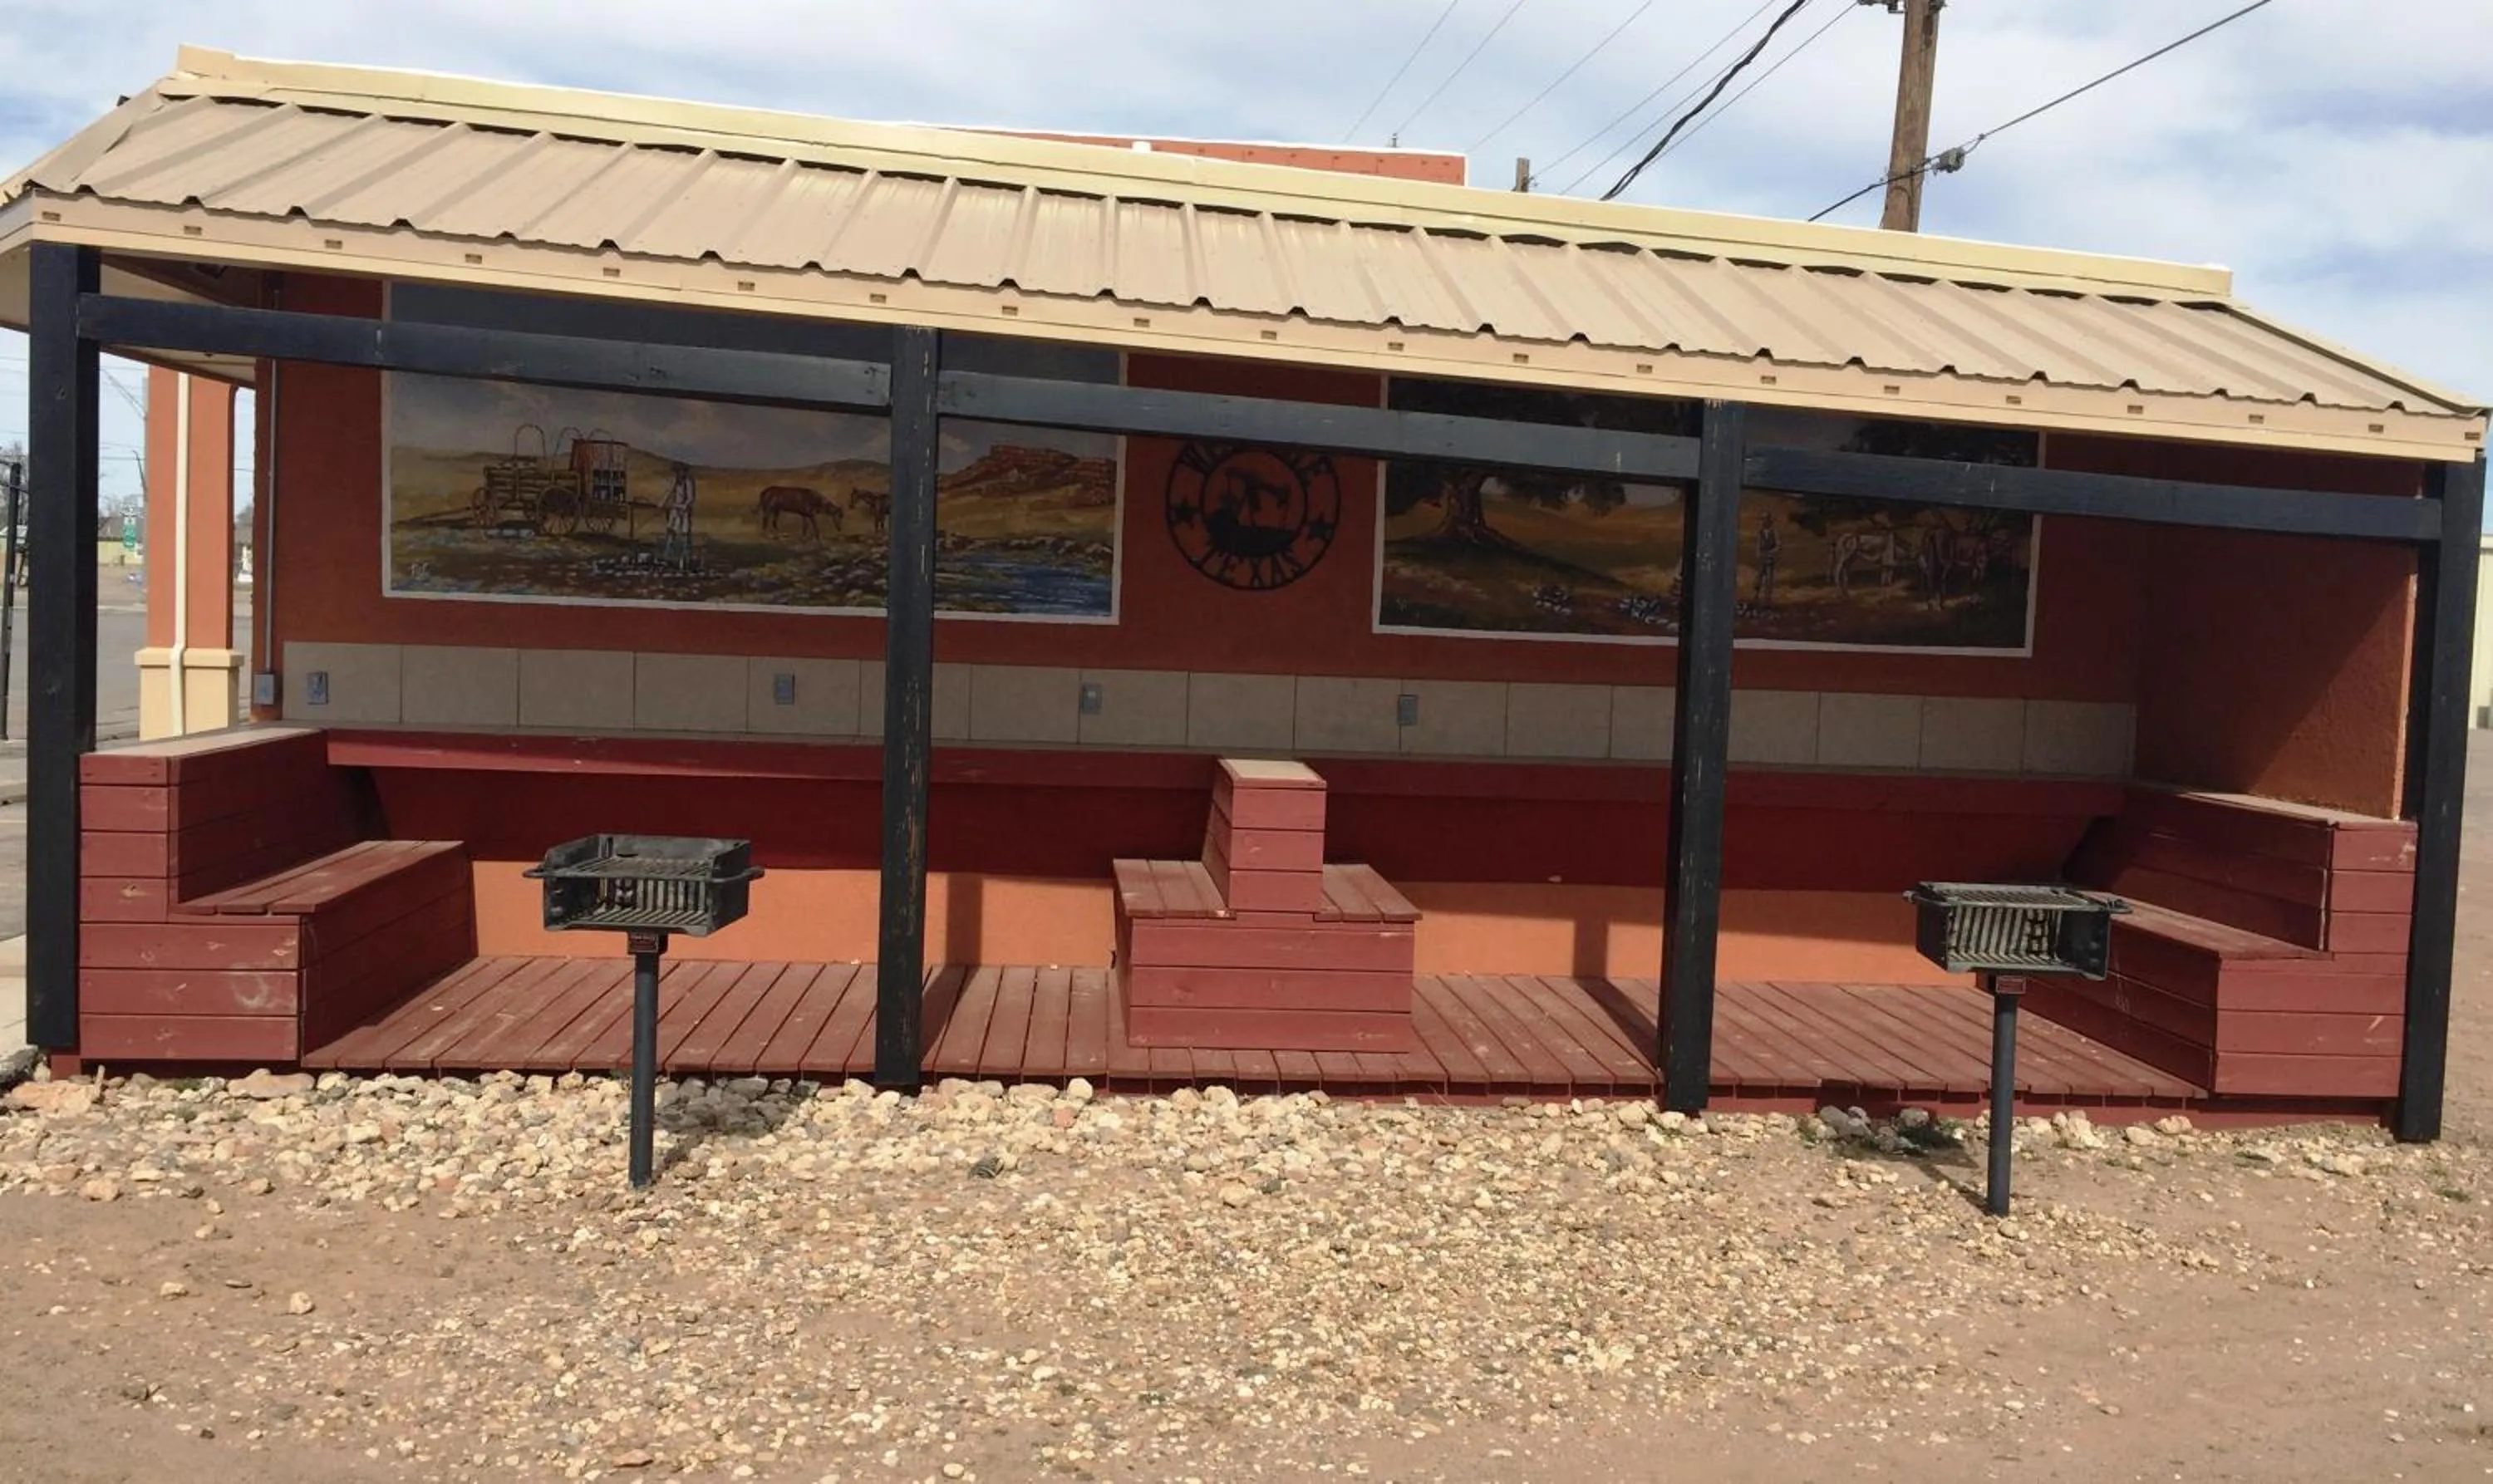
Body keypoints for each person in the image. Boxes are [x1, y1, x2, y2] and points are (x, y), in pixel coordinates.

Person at [659, 461, 697, 569]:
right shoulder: (675, 481)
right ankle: (667, 558)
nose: (679, 474)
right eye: (677, 471)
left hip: (684, 511)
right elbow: (669, 492)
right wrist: (662, 503)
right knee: (671, 531)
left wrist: (684, 506)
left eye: (680, 471)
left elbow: (691, 498)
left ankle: (686, 559)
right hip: (675, 509)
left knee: (685, 534)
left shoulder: (688, 482)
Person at [1753, 512, 1780, 609]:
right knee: (1758, 578)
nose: (1764, 522)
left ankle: (1767, 600)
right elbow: (1758, 545)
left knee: (1769, 580)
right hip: (1762, 559)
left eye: (1766, 520)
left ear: (1769, 521)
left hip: (1770, 558)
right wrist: (1759, 555)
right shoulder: (1760, 533)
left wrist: (1771, 553)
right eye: (1763, 520)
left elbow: (1778, 546)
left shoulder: (1774, 532)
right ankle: (1756, 597)